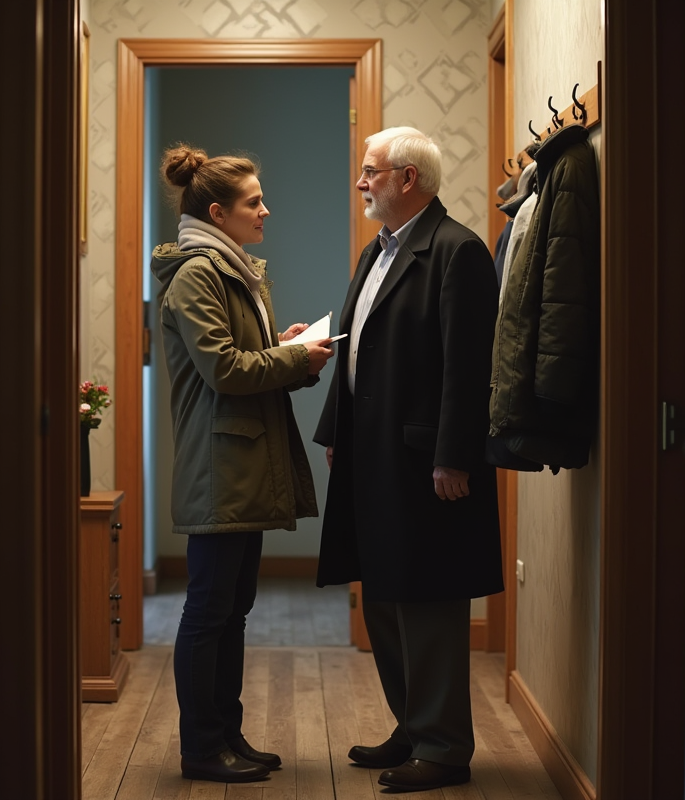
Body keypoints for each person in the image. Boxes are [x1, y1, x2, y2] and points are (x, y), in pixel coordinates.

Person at [314, 127, 503, 792]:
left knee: (428, 601)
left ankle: (445, 748)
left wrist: (456, 457)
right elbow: (356, 345)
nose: (362, 182)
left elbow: (468, 367)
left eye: (371, 172)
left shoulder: (458, 252)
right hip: (374, 458)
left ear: (408, 180)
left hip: (429, 465)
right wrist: (337, 428)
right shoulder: (377, 252)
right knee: (386, 598)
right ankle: (411, 726)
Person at [150, 144, 336, 784]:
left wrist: (285, 351)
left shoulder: (228, 268)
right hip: (220, 465)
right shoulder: (199, 274)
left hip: (240, 461)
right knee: (210, 611)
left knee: (231, 609)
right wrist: (295, 361)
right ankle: (203, 749)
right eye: (254, 201)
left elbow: (238, 358)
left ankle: (225, 736)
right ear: (216, 212)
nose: (266, 211)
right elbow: (224, 370)